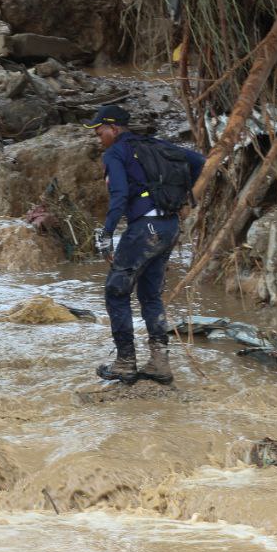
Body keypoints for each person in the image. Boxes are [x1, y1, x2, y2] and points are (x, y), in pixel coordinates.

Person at [85, 105, 205, 385]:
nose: (97, 136)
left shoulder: (115, 152)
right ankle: (159, 363)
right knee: (150, 295)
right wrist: (183, 198)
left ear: (113, 128)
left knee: (116, 291)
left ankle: (125, 362)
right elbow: (198, 161)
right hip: (169, 226)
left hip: (143, 229)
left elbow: (118, 195)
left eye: (99, 130)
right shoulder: (155, 144)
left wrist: (106, 235)